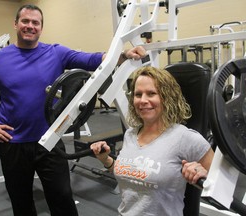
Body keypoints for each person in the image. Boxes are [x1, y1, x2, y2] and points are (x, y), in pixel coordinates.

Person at [0, 4, 146, 216]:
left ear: (41, 27)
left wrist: (122, 55)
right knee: (21, 202)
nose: (30, 26)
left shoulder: (56, 53)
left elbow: (93, 59)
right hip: (12, 144)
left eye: (35, 23)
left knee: (62, 199)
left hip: (50, 140)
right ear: (15, 24)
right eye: (25, 21)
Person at [90, 66, 214, 216]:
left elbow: (220, 187)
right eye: (138, 94)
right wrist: (106, 160)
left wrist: (203, 176)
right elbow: (133, 173)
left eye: (151, 94)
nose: (142, 100)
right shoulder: (130, 134)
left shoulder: (186, 138)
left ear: (166, 97)